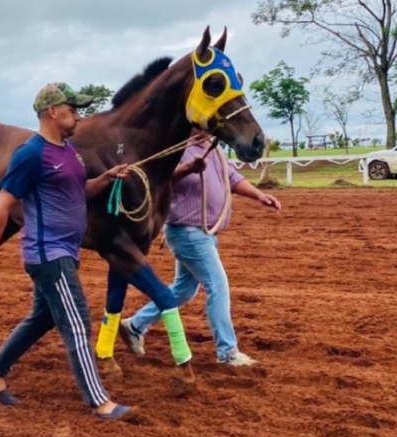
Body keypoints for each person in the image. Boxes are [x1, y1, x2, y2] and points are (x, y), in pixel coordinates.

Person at [0, 82, 135, 421]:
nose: (78, 115)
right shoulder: (31, 154)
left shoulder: (69, 151)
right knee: (77, 322)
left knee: (42, 318)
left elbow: (80, 190)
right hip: (48, 254)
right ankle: (98, 401)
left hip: (64, 251)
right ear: (52, 112)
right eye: (73, 110)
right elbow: (3, 204)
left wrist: (105, 178)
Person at [118, 128, 282, 366]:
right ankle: (227, 352)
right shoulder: (176, 148)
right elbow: (159, 181)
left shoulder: (212, 148)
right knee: (218, 286)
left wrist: (258, 195)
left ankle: (134, 325)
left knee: (183, 290)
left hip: (203, 232)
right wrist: (187, 168)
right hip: (188, 232)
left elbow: (233, 178)